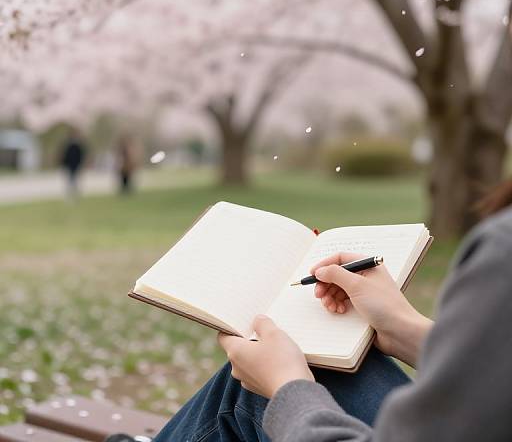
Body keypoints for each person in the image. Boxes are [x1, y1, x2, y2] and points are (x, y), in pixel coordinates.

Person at [146, 182, 512, 442]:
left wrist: (288, 388)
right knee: (321, 368)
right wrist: (405, 329)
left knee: (259, 387)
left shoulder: (504, 248)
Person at [60, 127, 87, 197]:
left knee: (75, 180)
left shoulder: (78, 146)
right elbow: (64, 156)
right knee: (70, 180)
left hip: (76, 165)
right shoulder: (68, 145)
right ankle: (70, 193)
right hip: (70, 165)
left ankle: (75, 193)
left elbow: (81, 155)